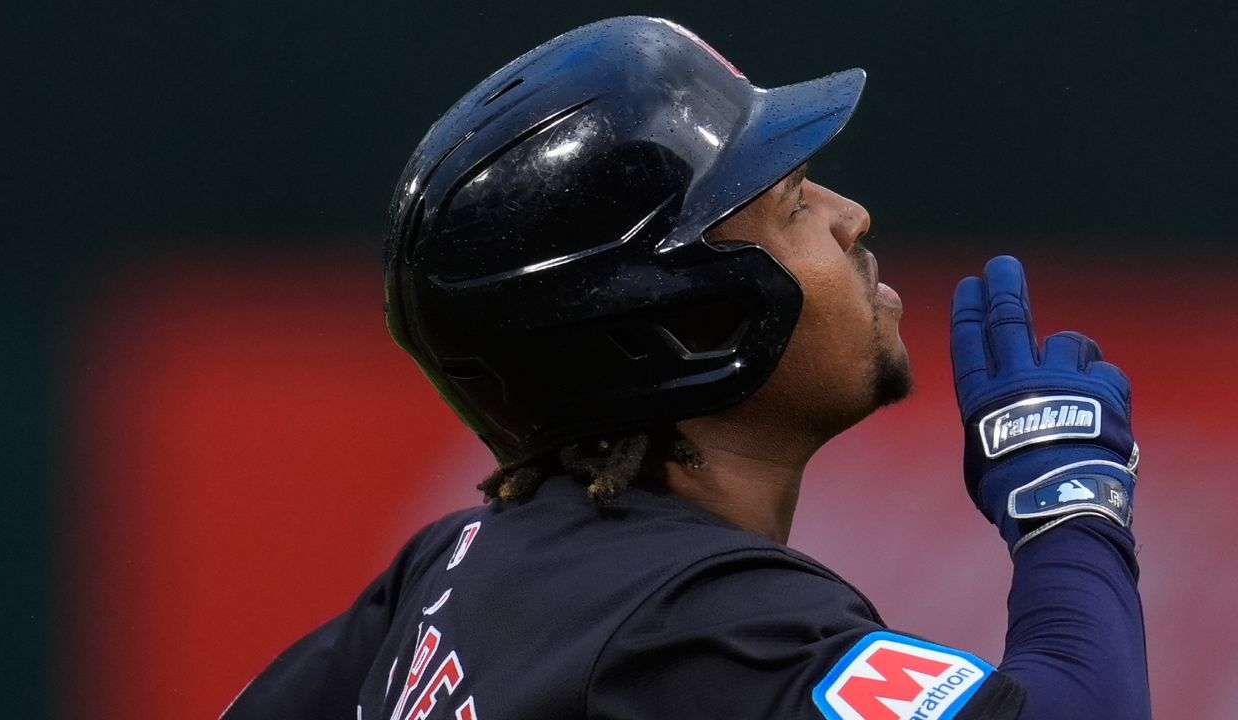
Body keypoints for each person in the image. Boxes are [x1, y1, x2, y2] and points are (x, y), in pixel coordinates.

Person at [223, 16, 1149, 720]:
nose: (850, 215)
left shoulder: (452, 568)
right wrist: (1069, 514)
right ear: (688, 320)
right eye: (790, 206)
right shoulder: (697, 622)